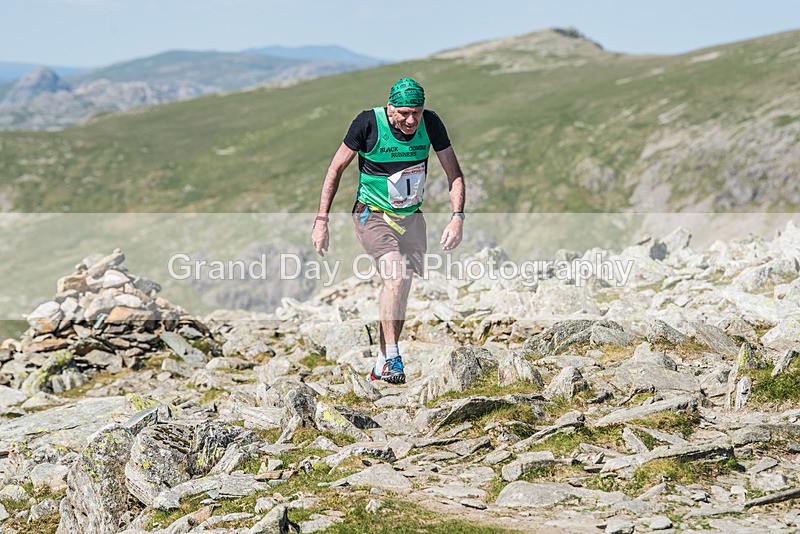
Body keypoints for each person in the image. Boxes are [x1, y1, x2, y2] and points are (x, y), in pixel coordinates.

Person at [312, 78, 465, 384]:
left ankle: (382, 363)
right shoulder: (368, 123)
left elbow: (454, 174)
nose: (411, 120)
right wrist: (321, 220)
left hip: (410, 217)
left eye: (417, 113)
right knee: (394, 276)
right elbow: (335, 169)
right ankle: (394, 357)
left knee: (402, 287)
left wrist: (457, 216)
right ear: (390, 107)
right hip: (372, 213)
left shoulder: (431, 123)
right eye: (405, 113)